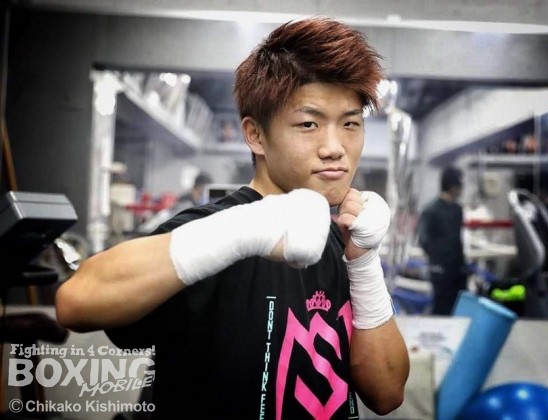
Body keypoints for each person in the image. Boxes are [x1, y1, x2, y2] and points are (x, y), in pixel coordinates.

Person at [55, 17, 409, 419]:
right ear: (255, 135)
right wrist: (243, 229)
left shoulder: (340, 243)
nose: (335, 147)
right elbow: (74, 302)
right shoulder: (216, 231)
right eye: (309, 124)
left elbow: (386, 394)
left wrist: (364, 262)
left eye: (350, 124)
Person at [417, 166, 467, 315]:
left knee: (457, 306)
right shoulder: (431, 210)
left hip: (457, 268)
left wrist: (461, 264)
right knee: (441, 306)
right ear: (453, 186)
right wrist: (438, 260)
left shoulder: (457, 209)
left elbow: (458, 239)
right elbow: (424, 239)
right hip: (440, 268)